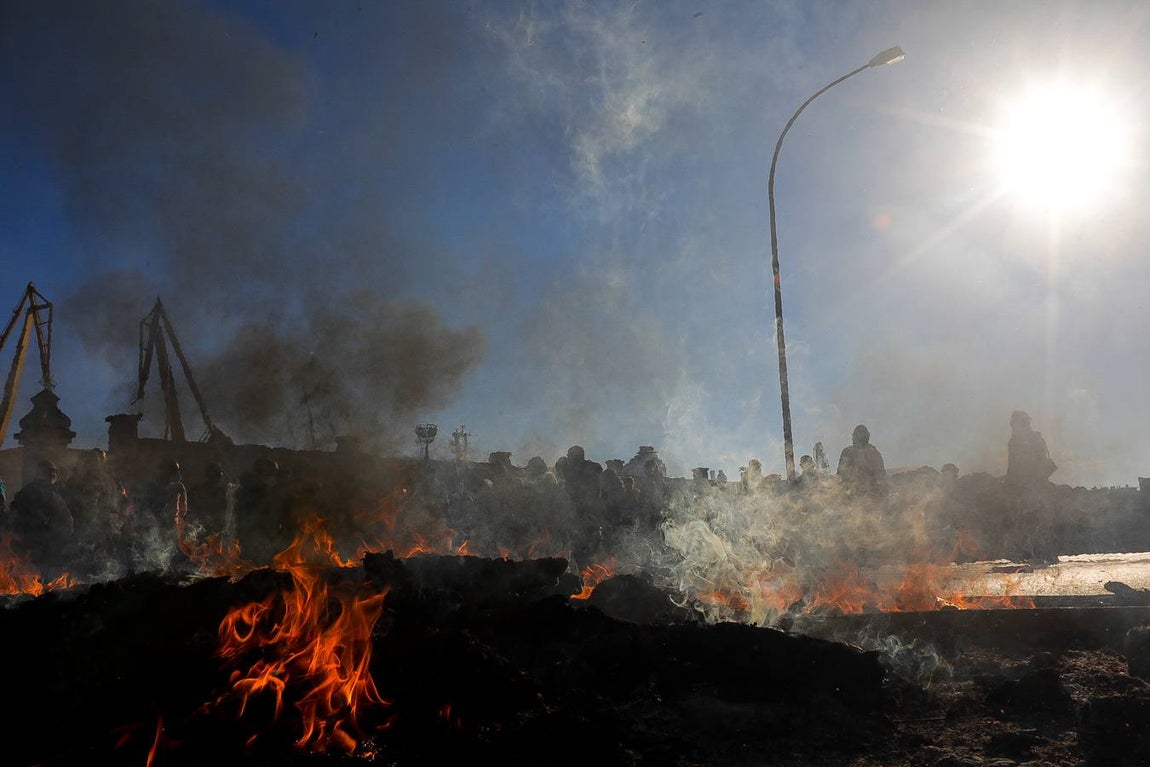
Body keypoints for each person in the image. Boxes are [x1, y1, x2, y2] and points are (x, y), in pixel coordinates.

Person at [9, 460, 74, 578]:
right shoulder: (33, 491)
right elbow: (18, 513)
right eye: (50, 472)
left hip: (51, 542)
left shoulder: (52, 493)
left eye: (54, 472)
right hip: (38, 543)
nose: (53, 475)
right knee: (36, 574)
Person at [1005, 410, 1056, 489]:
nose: (1013, 427)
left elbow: (1019, 466)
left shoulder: (1030, 440)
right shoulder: (1016, 440)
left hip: (1031, 482)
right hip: (1031, 481)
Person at [837, 424, 888, 500]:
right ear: (868, 436)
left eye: (853, 436)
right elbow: (882, 477)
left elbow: (840, 476)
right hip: (872, 498)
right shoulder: (875, 453)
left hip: (853, 498)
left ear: (855, 437)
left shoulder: (847, 452)